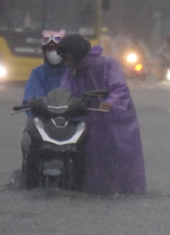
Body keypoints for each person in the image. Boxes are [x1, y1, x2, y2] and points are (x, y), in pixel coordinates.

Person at [54, 33, 146, 195]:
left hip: (115, 126)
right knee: (89, 160)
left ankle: (125, 192)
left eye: (66, 58)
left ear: (76, 55)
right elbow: (64, 92)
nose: (64, 63)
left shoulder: (109, 64)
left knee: (117, 161)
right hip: (87, 123)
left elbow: (120, 89)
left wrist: (109, 104)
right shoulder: (72, 71)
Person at [20, 30, 68, 188]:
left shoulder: (73, 72)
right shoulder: (37, 73)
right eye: (49, 49)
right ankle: (30, 183)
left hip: (69, 123)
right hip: (43, 123)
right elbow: (30, 97)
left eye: (56, 49)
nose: (53, 53)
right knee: (29, 141)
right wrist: (35, 105)